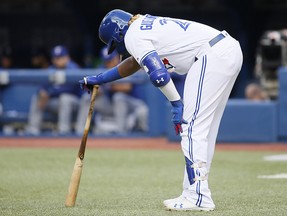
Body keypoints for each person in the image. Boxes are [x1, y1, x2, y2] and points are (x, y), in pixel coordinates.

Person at [79, 10, 243, 211]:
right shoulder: (141, 27)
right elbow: (134, 63)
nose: (118, 48)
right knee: (204, 131)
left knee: (191, 128)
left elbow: (158, 75)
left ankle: (199, 196)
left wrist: (176, 103)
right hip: (225, 49)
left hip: (211, 56)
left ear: (118, 33)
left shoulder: (132, 35)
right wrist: (101, 78)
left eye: (115, 43)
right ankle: (193, 192)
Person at [76, 46, 148, 134]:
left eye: (111, 60)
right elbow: (99, 91)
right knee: (87, 98)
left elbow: (126, 87)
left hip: (134, 106)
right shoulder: (101, 68)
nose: (109, 63)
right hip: (113, 107)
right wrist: (95, 89)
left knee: (119, 97)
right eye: (106, 61)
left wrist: (108, 84)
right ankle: (79, 133)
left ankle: (121, 134)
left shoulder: (126, 65)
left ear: (117, 57)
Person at [26, 45, 81, 135]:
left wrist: (49, 92)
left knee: (65, 98)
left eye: (60, 58)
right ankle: (33, 130)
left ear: (67, 57)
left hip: (74, 104)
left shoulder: (74, 68)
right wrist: (42, 93)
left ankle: (64, 131)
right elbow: (42, 87)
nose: (57, 60)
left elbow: (69, 89)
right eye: (56, 58)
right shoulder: (51, 69)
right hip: (56, 103)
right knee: (37, 97)